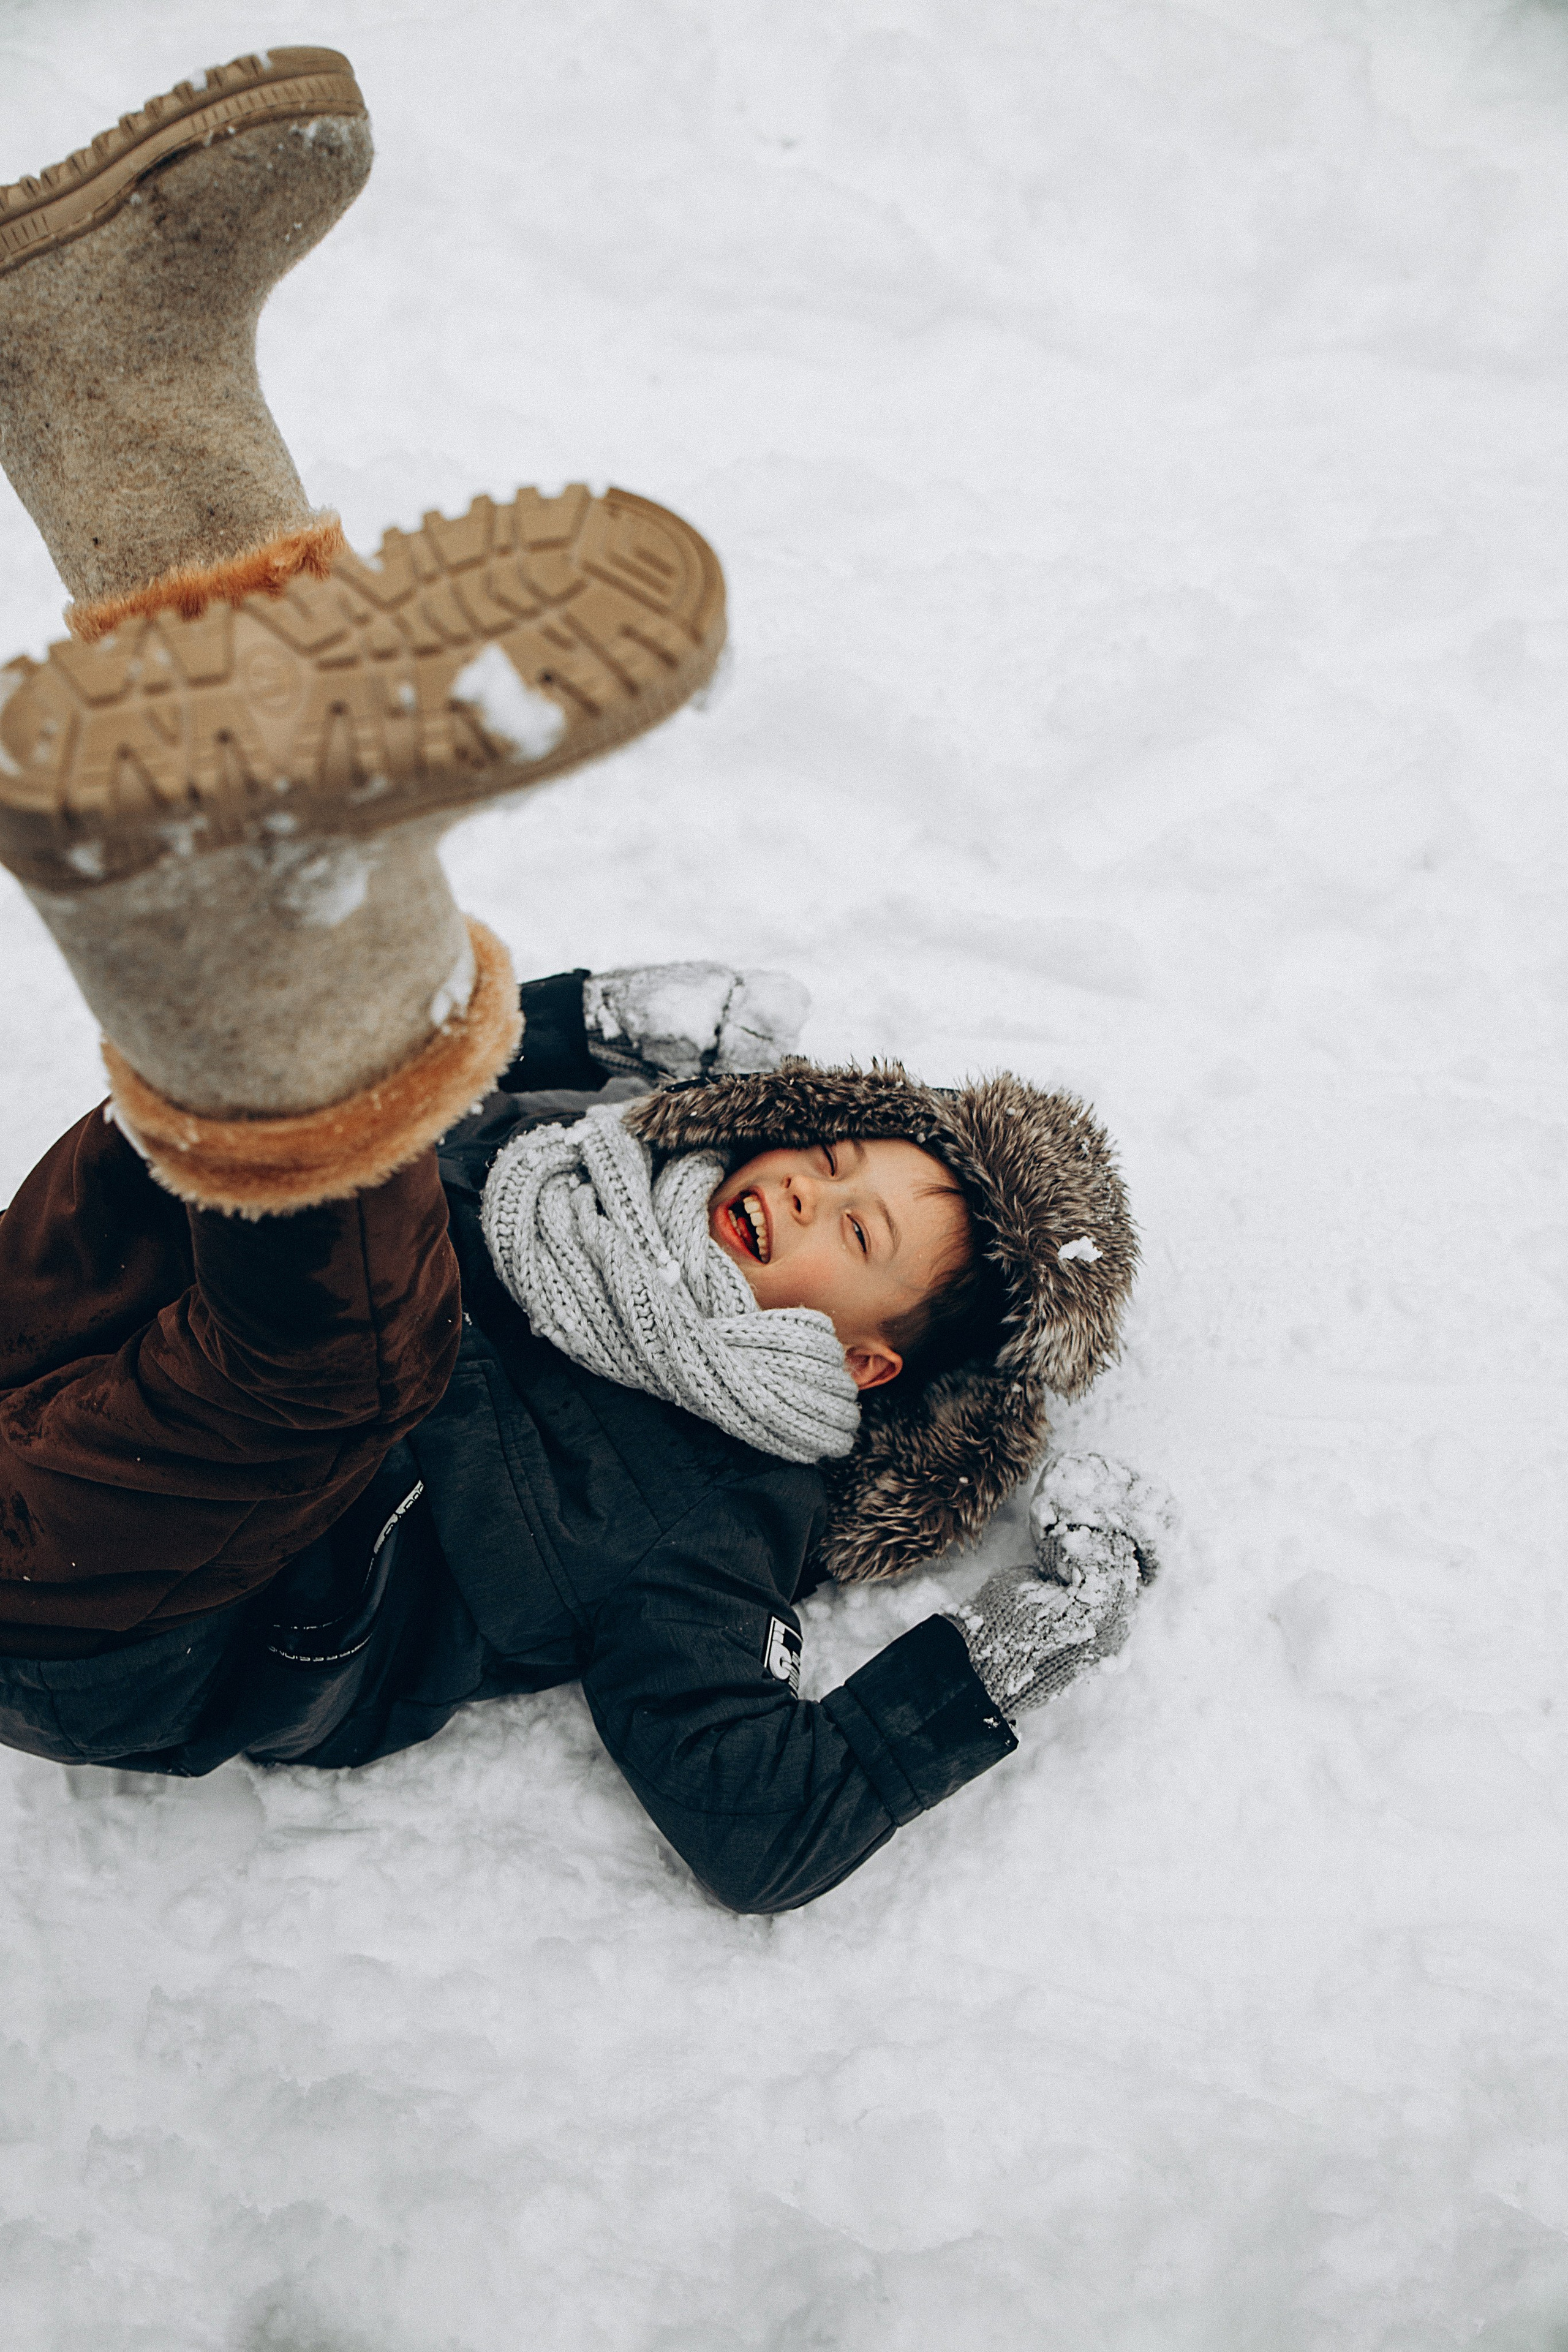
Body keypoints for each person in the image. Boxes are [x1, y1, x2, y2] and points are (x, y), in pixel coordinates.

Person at [0, 47, 1166, 1912]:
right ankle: (115, 393)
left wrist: (1026, 1644)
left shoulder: (721, 1514)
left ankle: (232, 864)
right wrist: (595, 1025)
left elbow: (761, 1825)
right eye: (844, 1159)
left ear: (861, 1361)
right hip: (76, 1322)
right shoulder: (586, 1164)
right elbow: (446, 1103)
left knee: (351, 1325)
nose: (806, 1186)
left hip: (126, 1605)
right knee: (279, 1143)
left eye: (857, 1232)